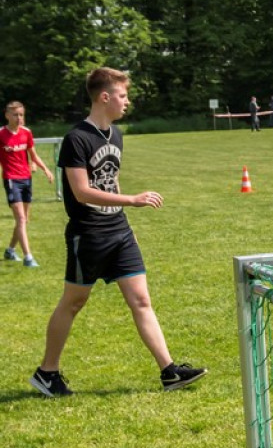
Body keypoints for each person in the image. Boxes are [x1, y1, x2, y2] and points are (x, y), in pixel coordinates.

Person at [29, 67, 207, 397]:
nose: (127, 101)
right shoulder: (76, 138)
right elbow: (82, 191)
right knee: (73, 302)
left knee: (141, 300)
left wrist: (126, 222)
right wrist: (133, 200)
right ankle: (47, 373)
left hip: (119, 231)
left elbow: (112, 180)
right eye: (123, 96)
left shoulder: (117, 134)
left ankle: (169, 371)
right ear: (104, 97)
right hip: (89, 235)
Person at [1, 101, 54, 268]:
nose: (19, 118)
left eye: (21, 114)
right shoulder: (1, 134)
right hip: (11, 179)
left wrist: (45, 169)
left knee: (24, 220)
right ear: (7, 115)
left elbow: (33, 155)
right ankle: (28, 258)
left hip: (26, 178)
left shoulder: (26, 133)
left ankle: (10, 250)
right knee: (21, 219)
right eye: (15, 115)